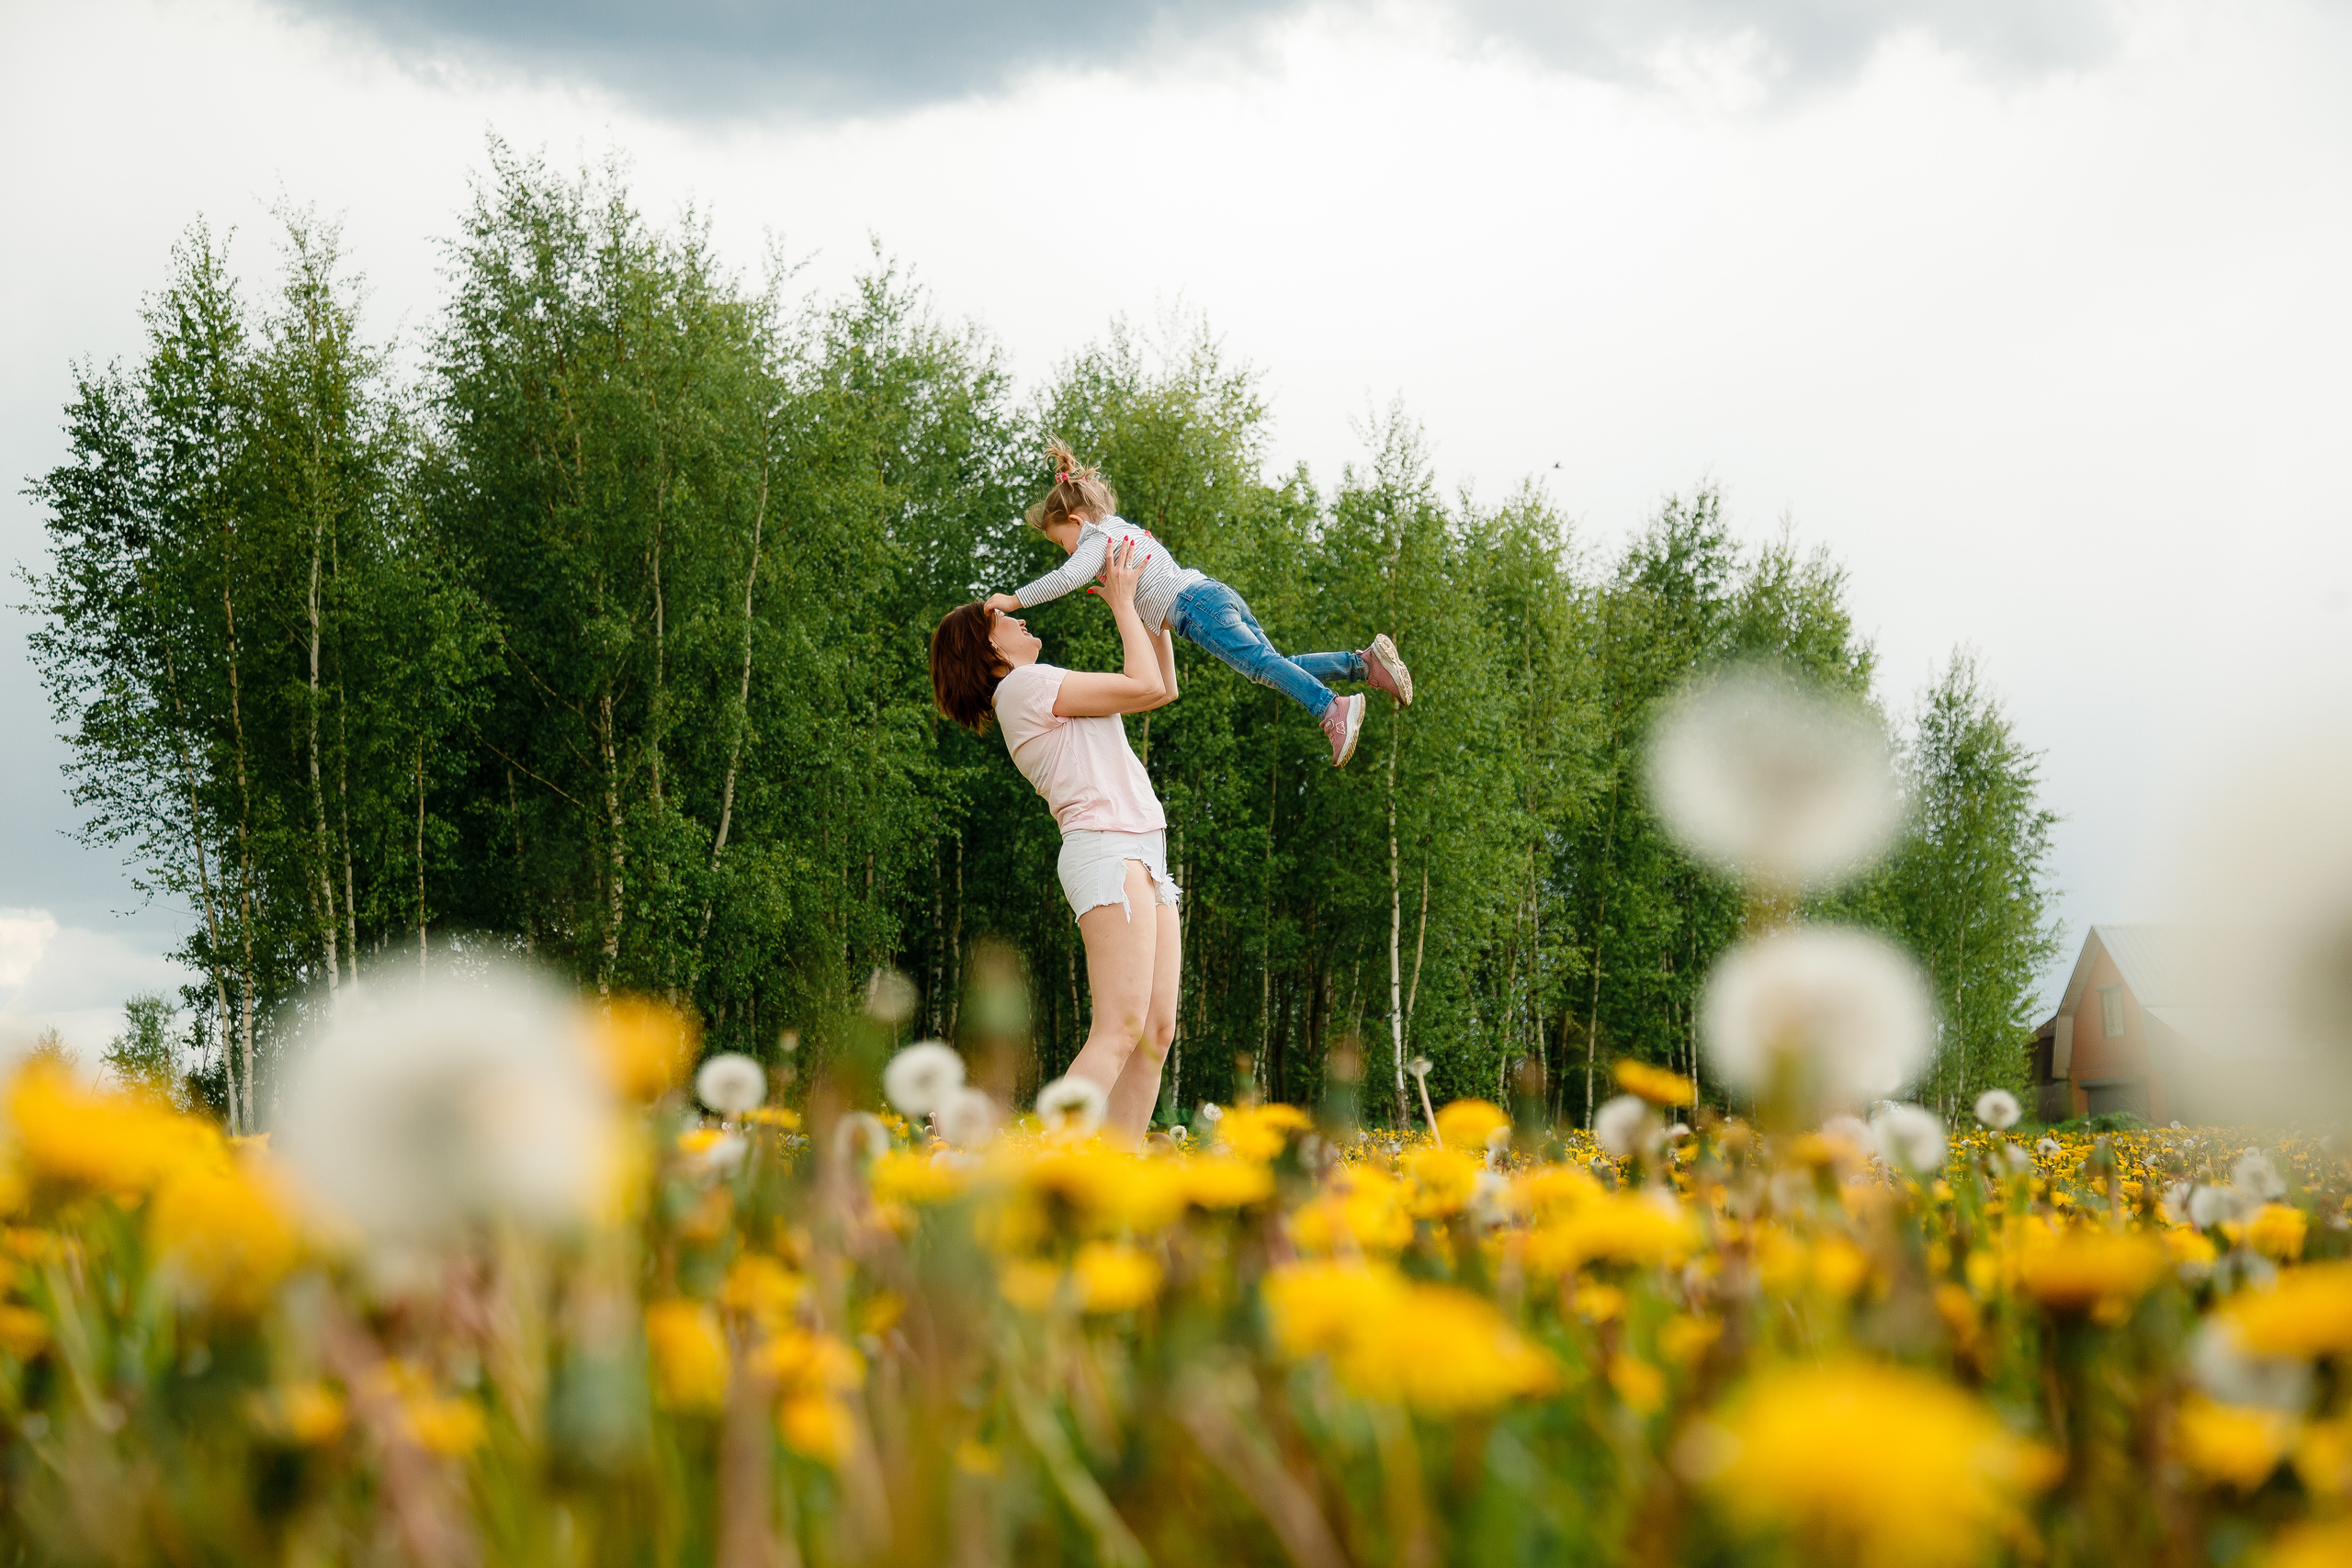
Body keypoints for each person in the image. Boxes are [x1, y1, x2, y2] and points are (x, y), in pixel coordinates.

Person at [931, 536, 1180, 1142]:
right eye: (1002, 619)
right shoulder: (1024, 688)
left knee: (1155, 1031)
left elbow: (1163, 686)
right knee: (1119, 1027)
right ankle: (1048, 1165)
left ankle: (1111, 1175)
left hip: (1142, 850)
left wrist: (1154, 608)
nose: (1018, 617)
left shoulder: (1034, 685)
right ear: (985, 650)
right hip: (1106, 847)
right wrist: (1122, 602)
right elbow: (1142, 685)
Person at [982, 441, 1414, 768]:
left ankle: (1331, 707)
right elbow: (1150, 613)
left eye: (1062, 542)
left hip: (1193, 606)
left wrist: (1014, 599)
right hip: (1208, 592)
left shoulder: (1095, 540)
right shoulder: (1122, 531)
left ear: (1076, 522)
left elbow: (1068, 578)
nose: (1067, 552)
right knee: (1274, 664)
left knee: (1261, 666)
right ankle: (1364, 664)